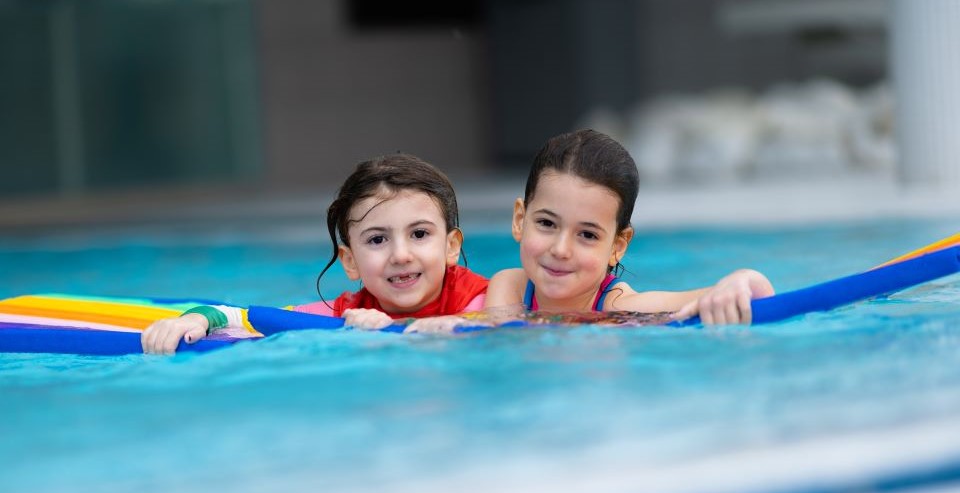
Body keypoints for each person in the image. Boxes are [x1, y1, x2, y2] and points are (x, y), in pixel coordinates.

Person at [141, 154, 488, 353]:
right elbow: (243, 317)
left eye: (419, 234)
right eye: (377, 240)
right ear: (350, 261)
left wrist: (401, 326)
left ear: (451, 246)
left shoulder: (482, 300)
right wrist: (194, 320)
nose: (401, 254)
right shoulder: (344, 313)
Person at [481, 128, 774, 324]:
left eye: (587, 234)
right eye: (546, 223)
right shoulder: (511, 286)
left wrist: (744, 279)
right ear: (520, 220)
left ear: (617, 246)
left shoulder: (621, 307)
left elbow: (743, 295)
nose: (560, 249)